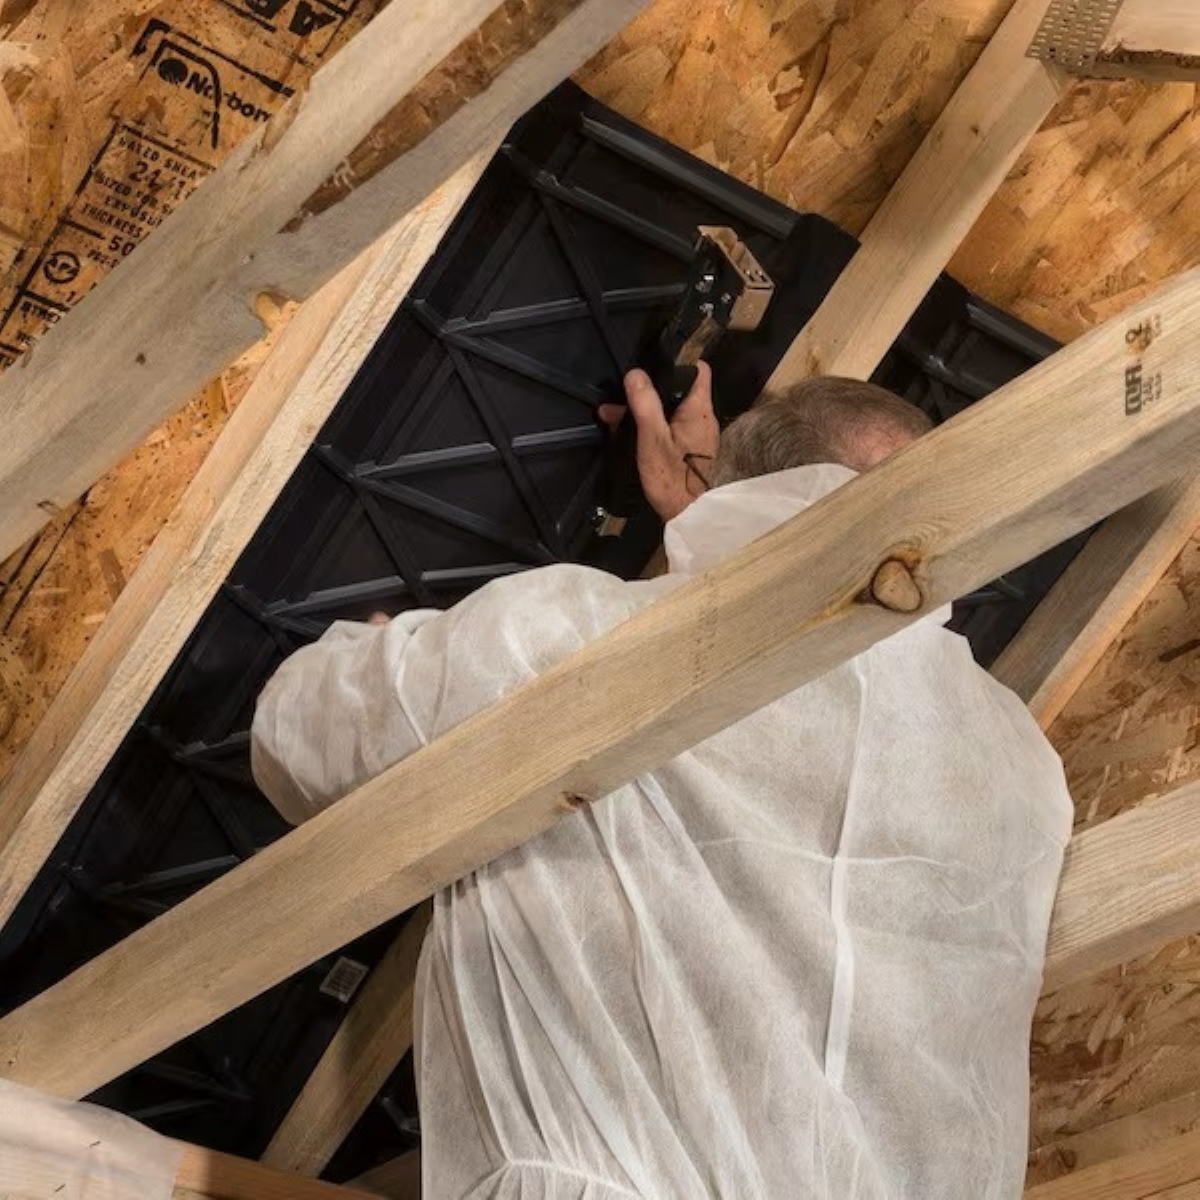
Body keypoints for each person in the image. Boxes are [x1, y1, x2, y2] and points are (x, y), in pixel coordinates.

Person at [252, 366, 1073, 1199]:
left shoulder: (574, 636)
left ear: (755, 492)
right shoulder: (1024, 771)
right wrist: (713, 528)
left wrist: (380, 654)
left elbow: (297, 744)